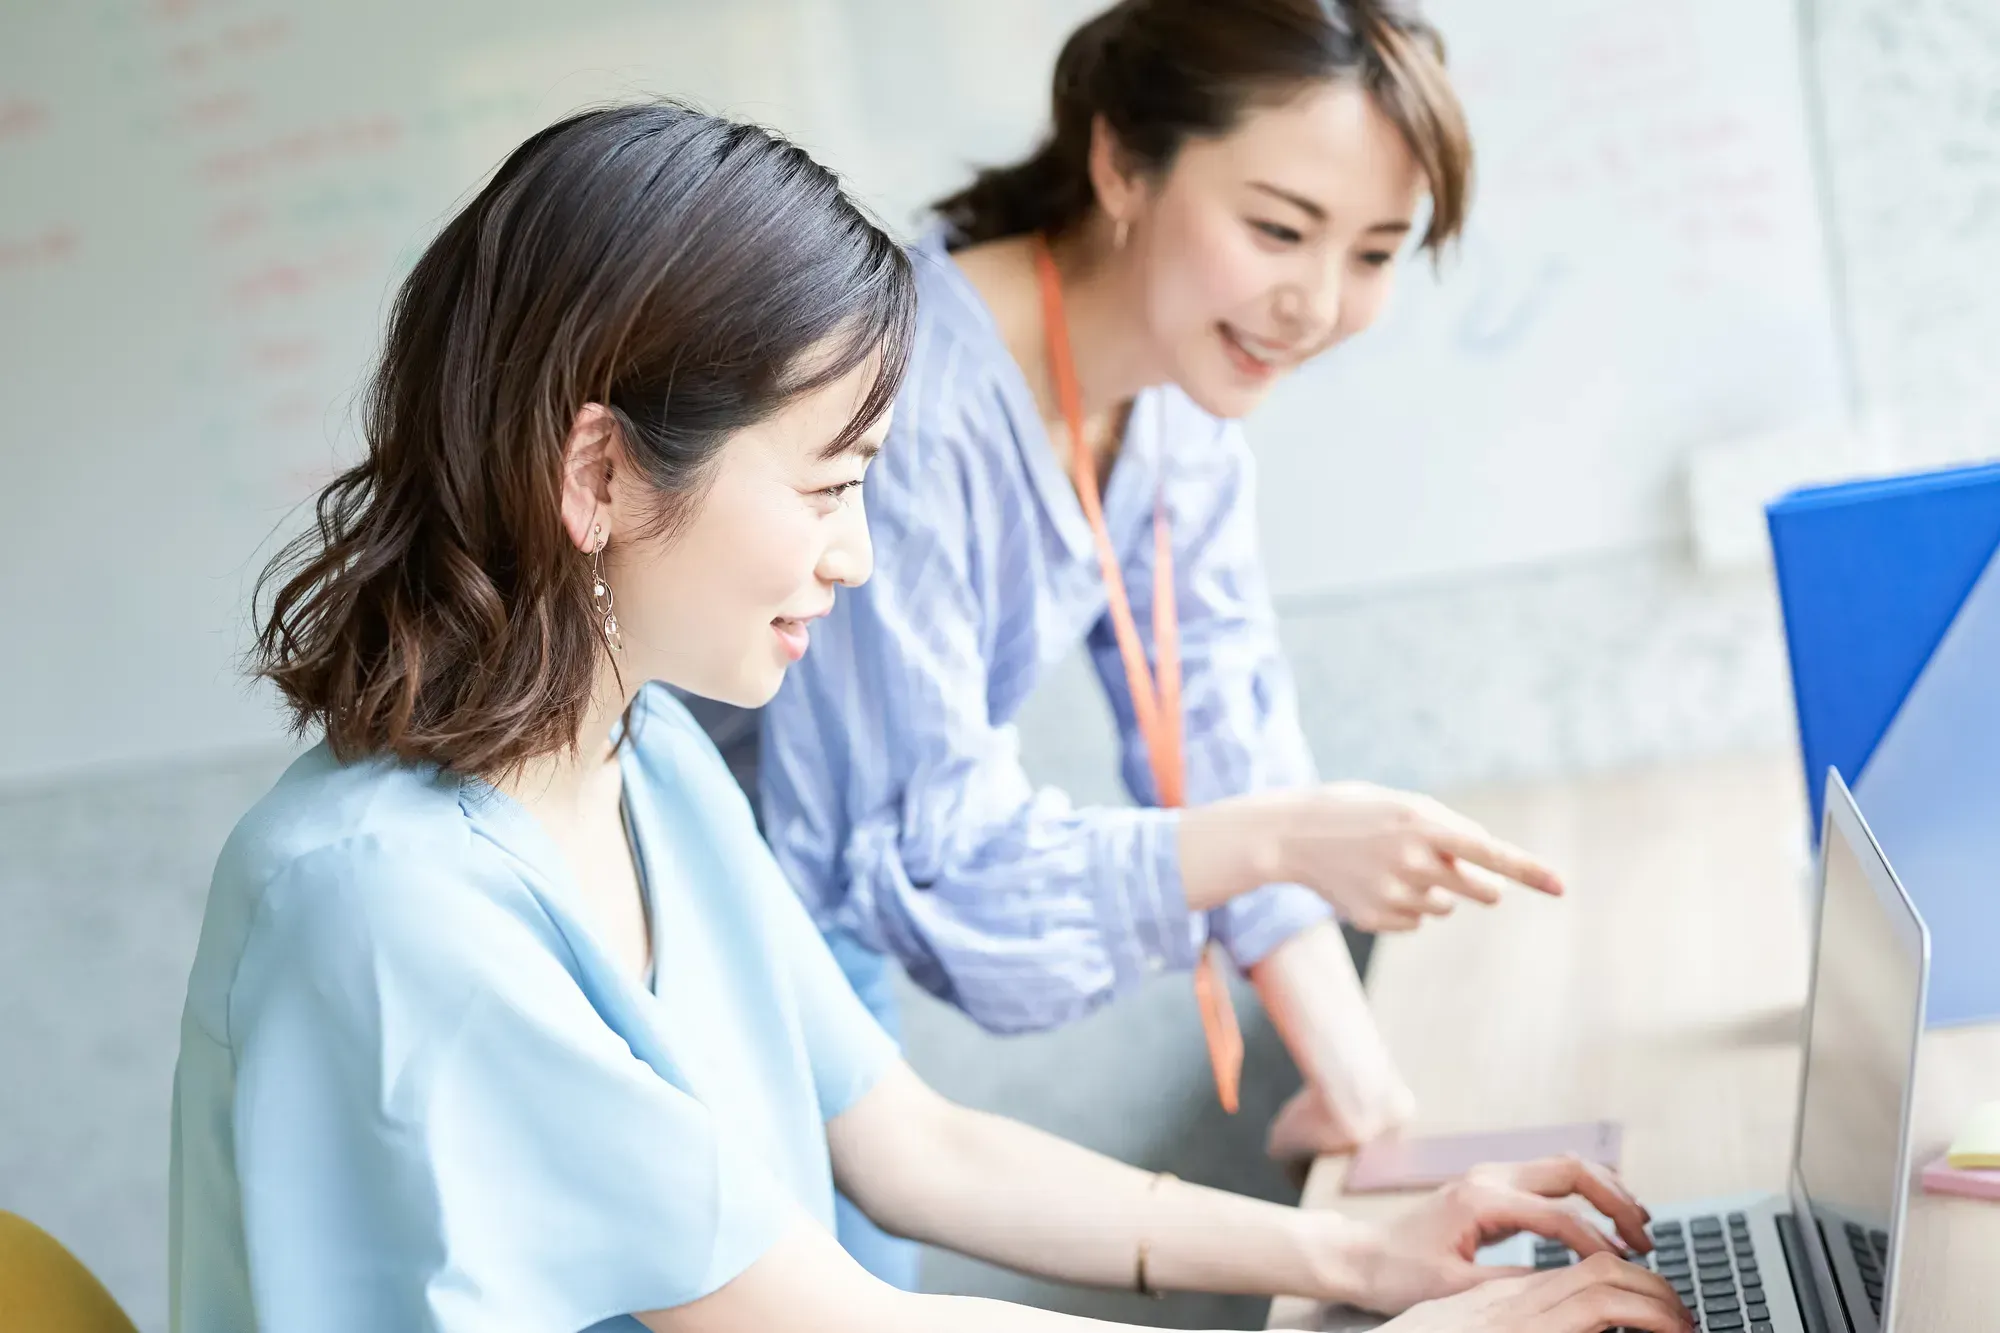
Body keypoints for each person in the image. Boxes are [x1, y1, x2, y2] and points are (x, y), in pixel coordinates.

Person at [166, 101, 1690, 1333]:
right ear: (601, 474)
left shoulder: (649, 759)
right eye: (827, 486)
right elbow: (826, 1318)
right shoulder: (388, 900)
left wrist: (1364, 1259)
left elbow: (916, 1146)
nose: (857, 554)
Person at [758, 0, 1567, 1284]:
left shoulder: (1174, 390)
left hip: (813, 930)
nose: (1315, 303)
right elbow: (942, 872)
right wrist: (1288, 840)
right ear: (1121, 163)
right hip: (685, 937)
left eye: (1373, 252)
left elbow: (1221, 728)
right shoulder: (907, 408)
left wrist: (1356, 1082)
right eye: (1277, 230)